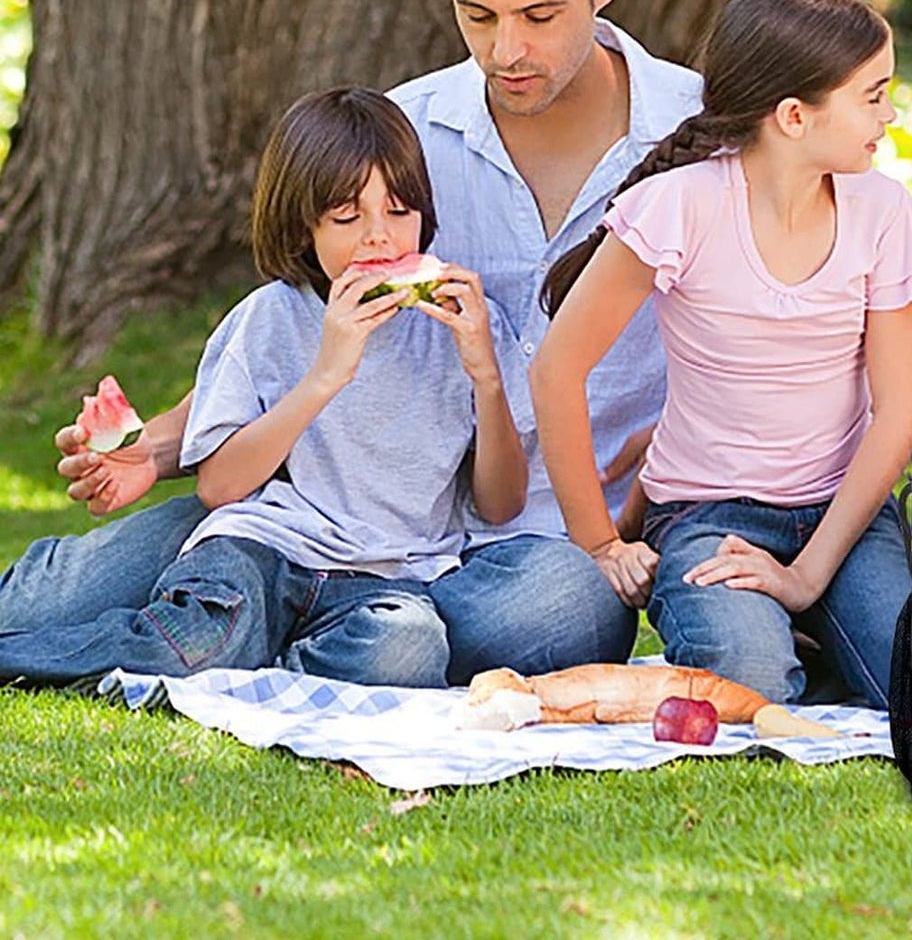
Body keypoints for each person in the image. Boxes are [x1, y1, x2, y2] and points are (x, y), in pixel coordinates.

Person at [5, 0, 702, 683]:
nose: (505, 51)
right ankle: (252, 611)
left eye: (539, 16)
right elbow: (294, 322)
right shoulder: (404, 135)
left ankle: (284, 630)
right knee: (57, 597)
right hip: (321, 501)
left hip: (525, 544)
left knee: (564, 615)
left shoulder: (697, 140)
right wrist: (151, 449)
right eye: (476, 16)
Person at [0, 88, 525, 686]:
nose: (380, 238)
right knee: (194, 644)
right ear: (304, 229)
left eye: (400, 212)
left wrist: (485, 375)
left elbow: (501, 503)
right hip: (262, 552)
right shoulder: (269, 319)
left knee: (409, 649)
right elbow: (221, 485)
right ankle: (28, 655)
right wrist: (326, 375)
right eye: (349, 217)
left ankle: (266, 673)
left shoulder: (465, 331)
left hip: (389, 579)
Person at [531, 0, 912, 707]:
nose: (890, 113)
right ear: (793, 115)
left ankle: (811, 624)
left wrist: (807, 576)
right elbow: (555, 370)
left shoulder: (883, 213)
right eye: (872, 95)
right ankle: (778, 636)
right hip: (706, 514)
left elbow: (899, 418)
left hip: (842, 512)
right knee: (750, 682)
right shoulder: (679, 206)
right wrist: (600, 541)